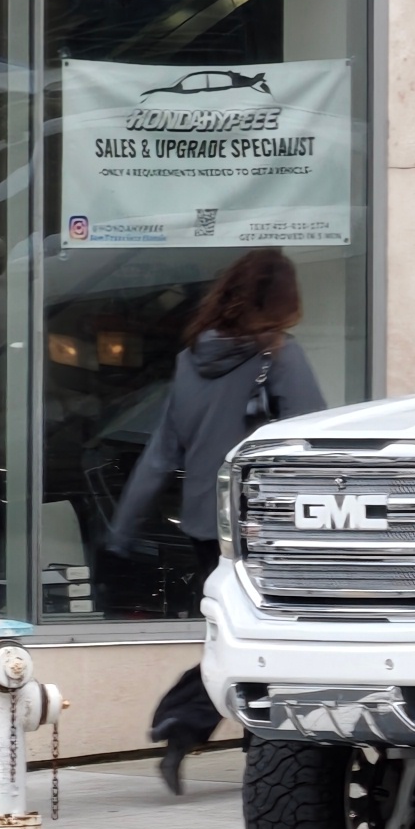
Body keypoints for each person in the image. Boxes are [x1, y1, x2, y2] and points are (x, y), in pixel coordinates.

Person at [103, 247, 327, 793]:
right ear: (284, 300)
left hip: (208, 528)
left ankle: (191, 727)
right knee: (275, 641)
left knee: (236, 637)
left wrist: (122, 527)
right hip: (268, 529)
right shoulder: (280, 358)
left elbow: (162, 452)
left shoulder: (189, 361)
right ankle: (229, 740)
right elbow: (316, 442)